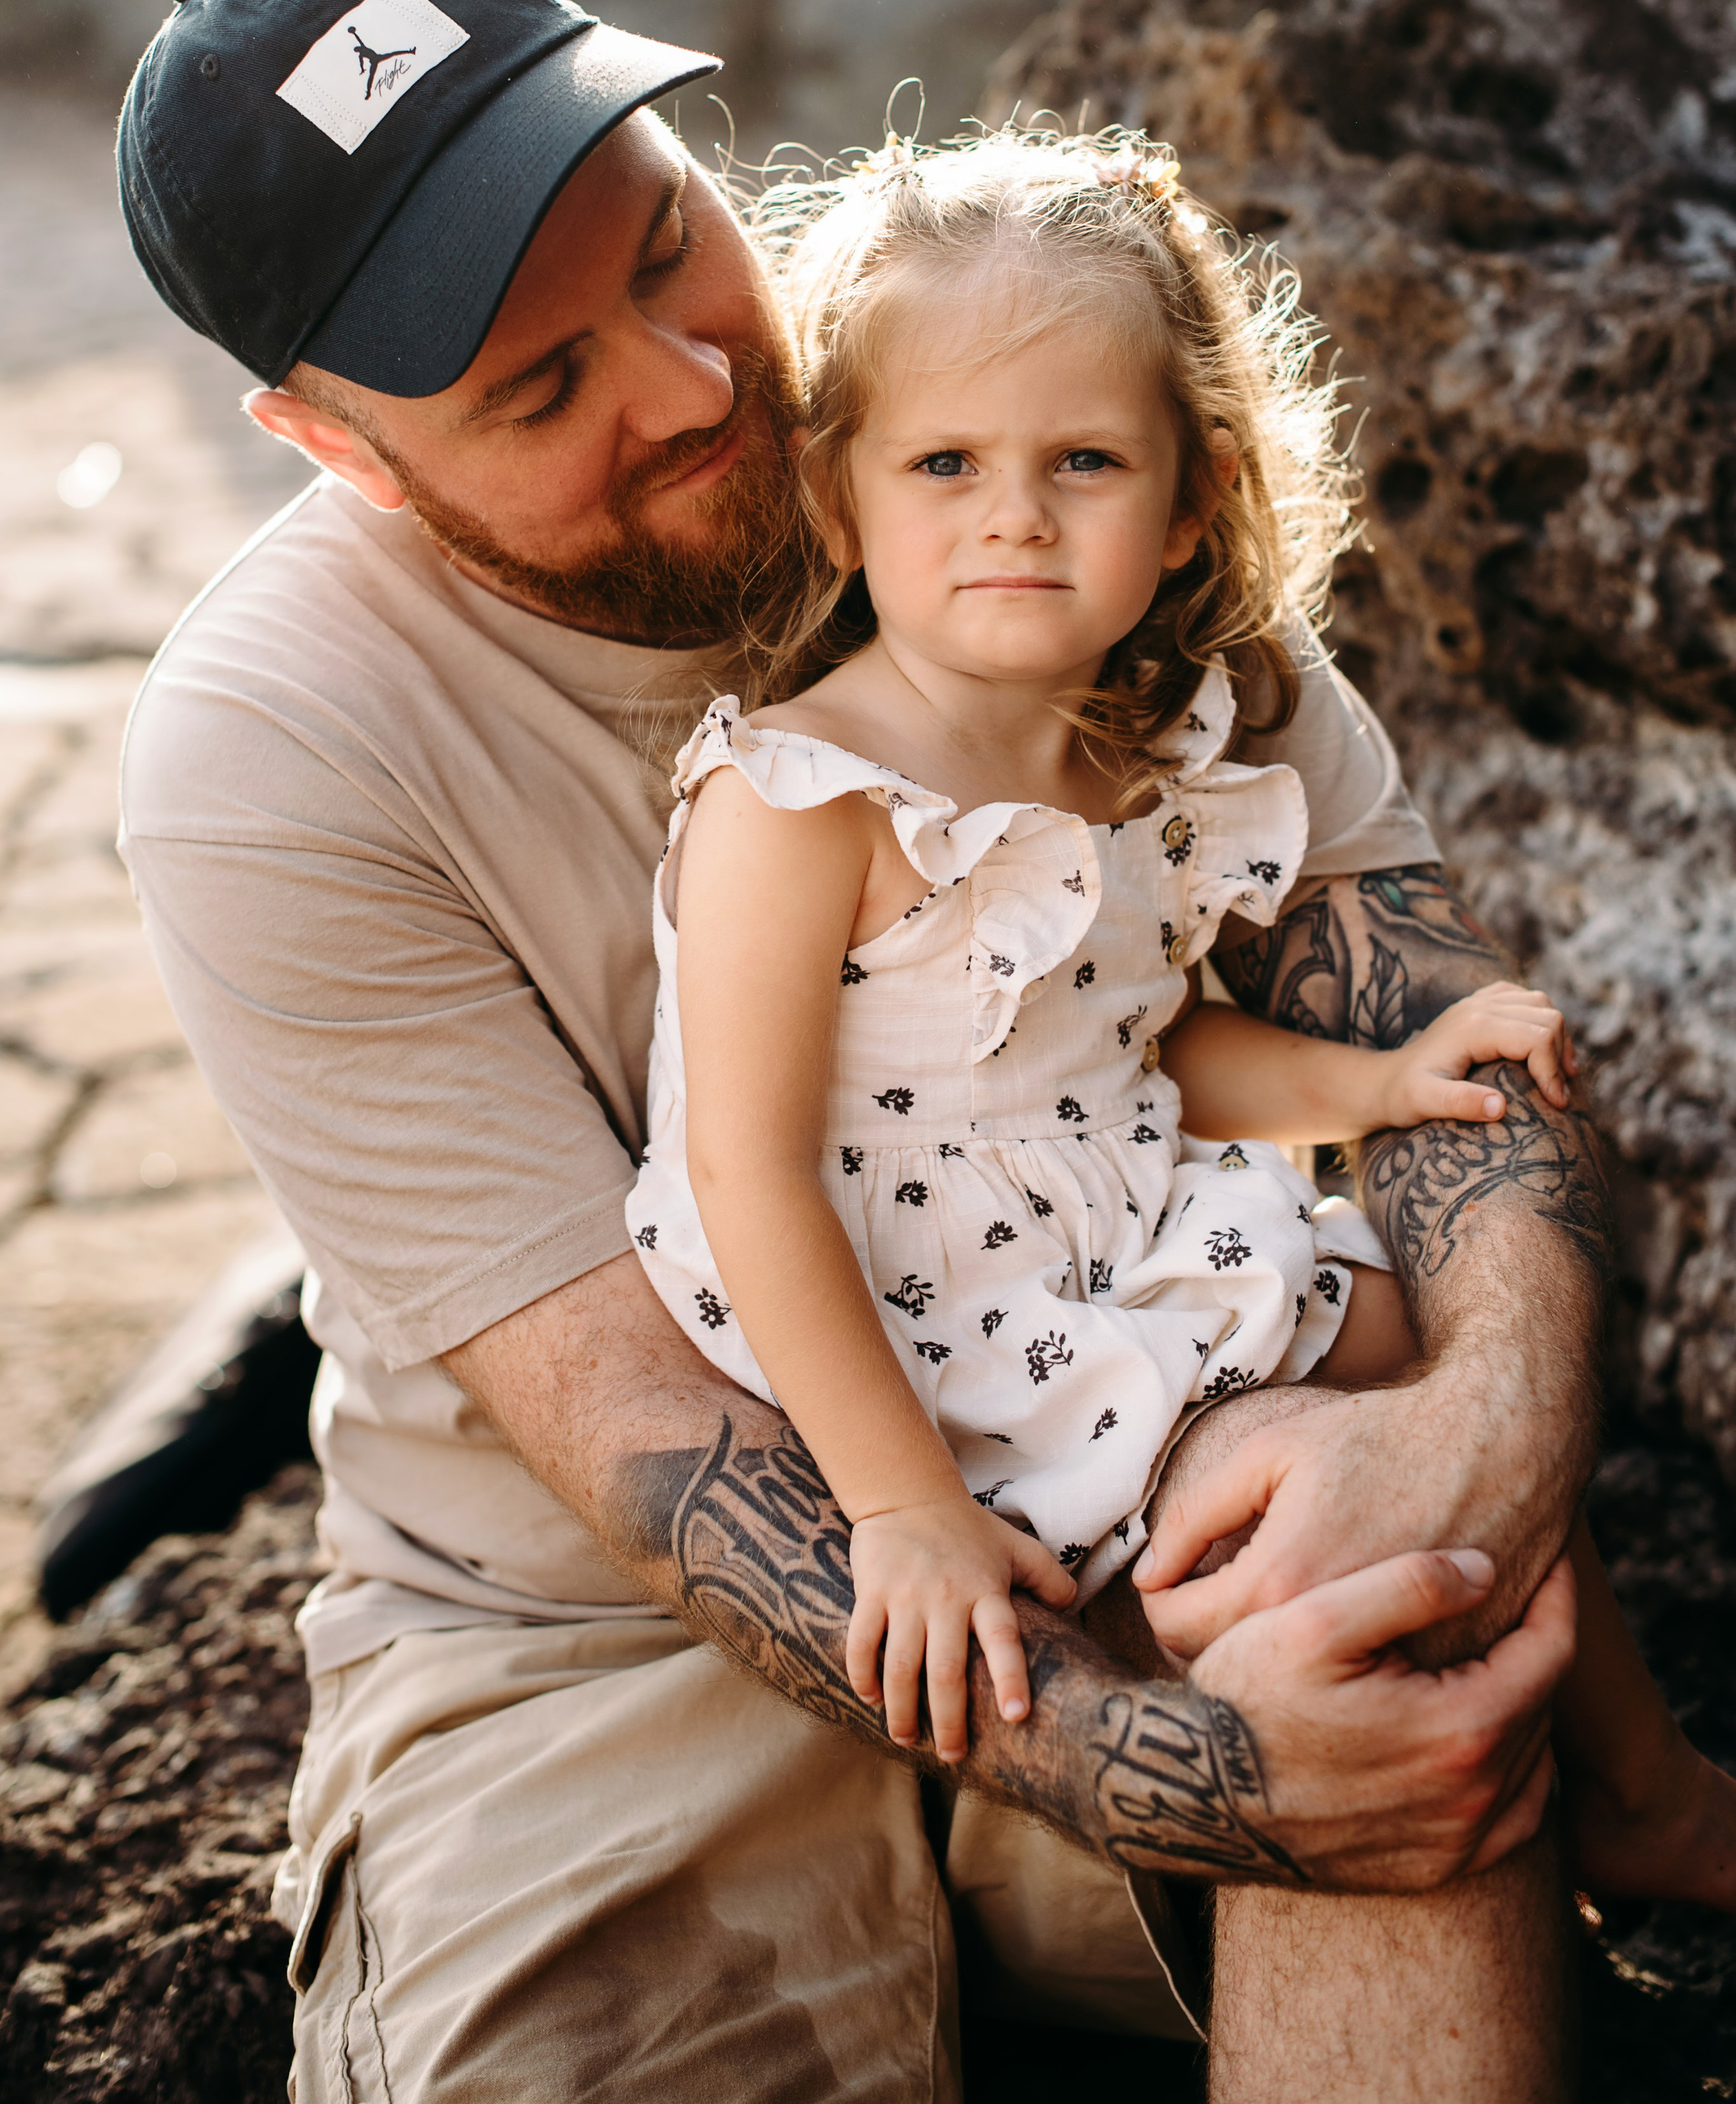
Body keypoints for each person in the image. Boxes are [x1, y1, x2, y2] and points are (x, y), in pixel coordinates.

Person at [112, 0, 1605, 2101]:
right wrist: (1199, 1775)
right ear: (337, 444)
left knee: (1382, 1619)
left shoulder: (992, 414)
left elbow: (1438, 1030)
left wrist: (1487, 1444)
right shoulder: (272, 755)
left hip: (1109, 1425)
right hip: (587, 1648)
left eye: (664, 243)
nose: (696, 387)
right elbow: (640, 1431)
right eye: (541, 386)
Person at [631, 125, 1736, 1906]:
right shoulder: (801, 798)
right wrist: (901, 1508)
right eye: (945, 462)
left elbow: (1141, 1056)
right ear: (840, 503)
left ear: (1192, 500)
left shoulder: (1142, 752)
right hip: (890, 1314)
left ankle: (1637, 1777)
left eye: (1084, 459)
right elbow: (743, 1169)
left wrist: (1379, 1080)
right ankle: (1517, 1800)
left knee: (1402, 1336)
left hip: (1093, 1217)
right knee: (1308, 1443)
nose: (1015, 514)